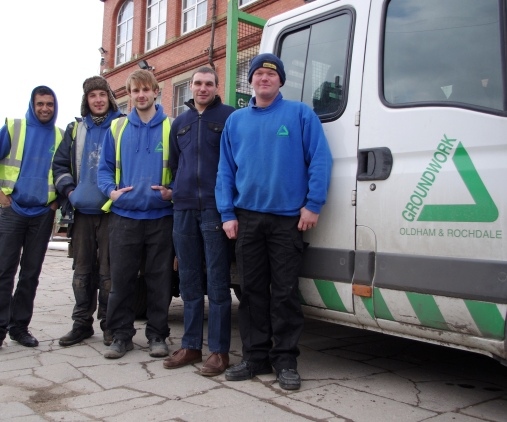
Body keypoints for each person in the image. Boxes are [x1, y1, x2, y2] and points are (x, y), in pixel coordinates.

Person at [215, 54, 333, 390]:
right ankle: (254, 357)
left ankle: (285, 361)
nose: (264, 78)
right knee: (251, 292)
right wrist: (227, 213)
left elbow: (320, 160)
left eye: (271, 74)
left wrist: (313, 204)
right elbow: (225, 170)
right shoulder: (236, 121)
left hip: (288, 221)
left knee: (284, 293)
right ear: (250, 81)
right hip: (247, 220)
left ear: (280, 81)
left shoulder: (299, 115)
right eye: (259, 74)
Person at [163, 67, 235, 376]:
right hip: (183, 210)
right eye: (197, 84)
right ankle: (191, 345)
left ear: (217, 87)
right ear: (191, 88)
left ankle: (219, 352)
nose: (202, 88)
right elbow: (175, 164)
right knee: (189, 280)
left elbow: (235, 163)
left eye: (208, 83)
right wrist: (174, 192)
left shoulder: (230, 118)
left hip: (215, 210)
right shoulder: (179, 122)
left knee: (217, 281)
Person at [98, 69, 173, 359]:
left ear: (156, 91)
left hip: (160, 218)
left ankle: (157, 336)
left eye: (145, 90)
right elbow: (103, 168)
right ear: (128, 95)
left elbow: (181, 169)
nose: (140, 95)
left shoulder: (170, 127)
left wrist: (172, 191)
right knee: (122, 281)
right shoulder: (116, 129)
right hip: (124, 217)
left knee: (159, 282)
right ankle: (121, 335)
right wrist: (110, 191)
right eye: (134, 91)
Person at [53, 76, 123, 347]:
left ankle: (109, 325)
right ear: (86, 100)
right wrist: (70, 192)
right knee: (82, 271)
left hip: (111, 212)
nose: (98, 100)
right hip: (81, 213)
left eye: (102, 95)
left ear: (109, 97)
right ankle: (81, 323)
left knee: (108, 272)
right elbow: (59, 165)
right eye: (92, 95)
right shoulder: (75, 129)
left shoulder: (121, 125)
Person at [0, 86, 63, 348]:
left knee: (30, 274)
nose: (45, 109)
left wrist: (56, 201)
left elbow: (65, 170)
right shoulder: (14, 127)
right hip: (12, 211)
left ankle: (20, 328)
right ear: (32, 105)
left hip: (42, 214)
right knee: (4, 272)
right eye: (40, 104)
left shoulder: (61, 135)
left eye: (49, 104)